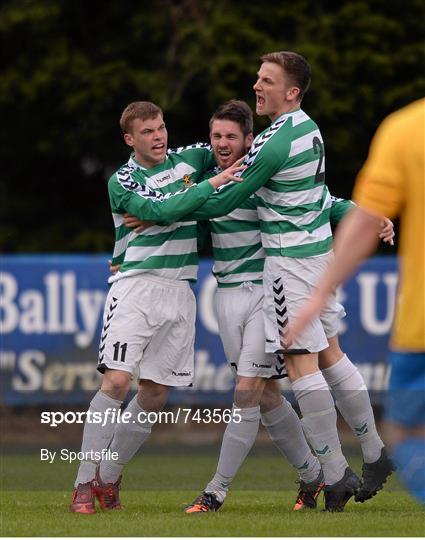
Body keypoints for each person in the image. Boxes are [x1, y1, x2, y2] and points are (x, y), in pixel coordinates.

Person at [123, 99, 395, 512]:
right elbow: (180, 207)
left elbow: (323, 200)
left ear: (249, 140)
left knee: (250, 389)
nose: (222, 143)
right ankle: (317, 476)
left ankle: (216, 491)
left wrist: (366, 215)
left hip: (267, 292)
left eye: (232, 136)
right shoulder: (205, 179)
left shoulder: (259, 176)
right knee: (268, 395)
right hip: (228, 295)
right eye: (216, 136)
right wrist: (161, 215)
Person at [70, 101, 246, 514]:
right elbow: (161, 209)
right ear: (130, 139)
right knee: (115, 382)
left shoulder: (192, 157)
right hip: (135, 286)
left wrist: (188, 199)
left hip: (181, 289)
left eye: (161, 127)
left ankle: (108, 478)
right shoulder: (123, 179)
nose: (159, 136)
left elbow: (233, 151)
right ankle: (82, 482)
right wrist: (205, 189)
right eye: (148, 131)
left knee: (154, 393)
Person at [287, 98, 425, 504]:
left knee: (408, 433)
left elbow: (365, 220)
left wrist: (318, 294)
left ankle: (333, 472)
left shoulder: (407, 128)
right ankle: (356, 460)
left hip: (420, 328)